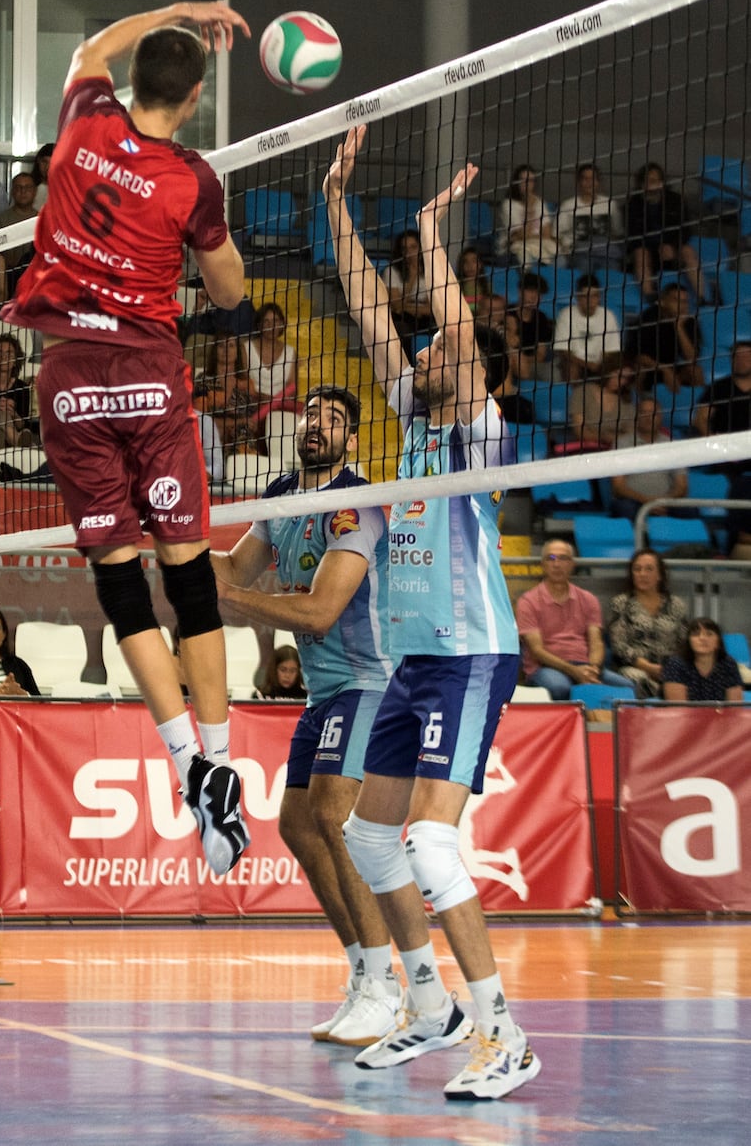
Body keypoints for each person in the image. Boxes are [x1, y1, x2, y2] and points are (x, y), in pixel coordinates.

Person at [0, 0, 253, 876]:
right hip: (148, 372)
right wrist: (208, 241)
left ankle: (186, 762)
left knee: (119, 580)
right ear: (190, 102)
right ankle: (220, 761)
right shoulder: (193, 178)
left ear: (132, 82)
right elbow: (228, 295)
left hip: (67, 373)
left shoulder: (83, 121)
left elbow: (88, 47)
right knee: (189, 574)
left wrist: (178, 12)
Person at [325, 125, 539, 1101]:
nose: (426, 342)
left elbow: (449, 318)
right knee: (370, 838)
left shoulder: (478, 435)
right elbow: (370, 306)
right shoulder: (412, 420)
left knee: (429, 842)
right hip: (409, 661)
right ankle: (429, 1007)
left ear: (476, 370)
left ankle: (504, 1033)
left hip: (469, 656)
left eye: (444, 340)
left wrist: (431, 231)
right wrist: (339, 200)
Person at [212, 384, 401, 1047]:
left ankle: (386, 984)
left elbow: (319, 612)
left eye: (334, 418)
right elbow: (231, 567)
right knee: (296, 823)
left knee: (333, 818)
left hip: (372, 685)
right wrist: (169, 545)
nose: (317, 423)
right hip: (324, 693)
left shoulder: (356, 504)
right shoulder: (282, 496)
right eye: (311, 413)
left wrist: (237, 595)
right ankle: (361, 971)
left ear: (350, 438)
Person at [517, 538, 630, 700]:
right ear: (542, 564)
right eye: (551, 558)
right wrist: (574, 671)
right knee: (559, 688)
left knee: (627, 688)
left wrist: (592, 669)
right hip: (546, 668)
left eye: (563, 558)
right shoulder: (528, 601)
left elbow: (596, 642)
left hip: (585, 665)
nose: (557, 564)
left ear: (572, 564)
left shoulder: (588, 599)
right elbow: (537, 651)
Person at [607, 550, 688, 697]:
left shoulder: (676, 604)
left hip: (670, 667)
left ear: (660, 575)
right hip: (633, 667)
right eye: (637, 569)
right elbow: (619, 647)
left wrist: (669, 668)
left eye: (649, 569)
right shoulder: (621, 603)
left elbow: (684, 643)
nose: (642, 574)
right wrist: (649, 668)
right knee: (641, 680)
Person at [626, 162, 702, 301]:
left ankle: (702, 298)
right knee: (640, 254)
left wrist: (672, 246)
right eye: (647, 181)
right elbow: (633, 235)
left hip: (672, 248)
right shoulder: (634, 203)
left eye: (654, 180)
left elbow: (685, 229)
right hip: (647, 249)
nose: (651, 184)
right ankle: (649, 295)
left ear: (662, 182)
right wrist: (654, 246)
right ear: (641, 183)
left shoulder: (675, 200)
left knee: (688, 252)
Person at [610, 395, 688, 519]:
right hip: (634, 501)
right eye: (644, 413)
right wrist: (646, 501)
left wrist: (662, 501)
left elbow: (682, 486)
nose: (648, 418)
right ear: (637, 417)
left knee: (690, 510)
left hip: (665, 502)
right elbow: (618, 486)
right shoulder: (622, 444)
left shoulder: (672, 446)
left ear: (660, 416)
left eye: (653, 413)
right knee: (624, 508)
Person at [193, 330, 262, 457]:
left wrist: (246, 424)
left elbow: (252, 424)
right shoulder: (202, 380)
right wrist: (239, 422)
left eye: (231, 345)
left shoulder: (247, 384)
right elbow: (201, 421)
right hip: (211, 439)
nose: (226, 350)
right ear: (215, 351)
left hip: (243, 442)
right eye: (221, 345)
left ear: (237, 352)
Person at [625, 282, 703, 393]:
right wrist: (664, 369)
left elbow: (692, 358)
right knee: (640, 369)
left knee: (696, 371)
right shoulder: (649, 317)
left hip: (672, 367)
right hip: (649, 366)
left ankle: (697, 406)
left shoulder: (690, 322)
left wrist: (679, 327)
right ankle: (641, 404)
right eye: (676, 300)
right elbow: (638, 356)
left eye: (685, 302)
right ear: (663, 302)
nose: (682, 306)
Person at [553, 273, 622, 382]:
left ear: (599, 297)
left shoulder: (608, 316)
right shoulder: (566, 314)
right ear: (578, 297)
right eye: (585, 296)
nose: (590, 301)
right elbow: (564, 352)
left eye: (594, 296)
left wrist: (600, 365)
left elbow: (611, 351)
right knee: (572, 367)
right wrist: (588, 364)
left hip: (598, 366)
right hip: (574, 363)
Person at [555, 162, 624, 269]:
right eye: (585, 179)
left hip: (606, 252)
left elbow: (617, 232)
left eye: (593, 179)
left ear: (598, 182)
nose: (589, 183)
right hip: (579, 253)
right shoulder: (567, 205)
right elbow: (556, 234)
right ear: (579, 182)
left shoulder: (610, 204)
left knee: (612, 272)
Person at [662, 617, 744, 702]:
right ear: (689, 641)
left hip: (721, 714)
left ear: (718, 641)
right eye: (696, 634)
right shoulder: (675, 664)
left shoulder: (729, 664)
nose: (702, 638)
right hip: (686, 714)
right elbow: (678, 708)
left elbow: (734, 706)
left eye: (709, 634)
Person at [495, 163, 557, 267]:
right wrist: (529, 208)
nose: (527, 184)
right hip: (512, 249)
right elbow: (521, 235)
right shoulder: (508, 205)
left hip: (538, 245)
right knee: (525, 257)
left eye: (531, 181)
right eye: (523, 180)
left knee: (559, 258)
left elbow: (546, 234)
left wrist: (531, 236)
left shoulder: (539, 203)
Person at [383, 228, 434, 353]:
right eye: (404, 249)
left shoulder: (431, 271)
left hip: (426, 320)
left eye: (413, 247)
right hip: (402, 319)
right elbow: (396, 306)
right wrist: (412, 278)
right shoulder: (392, 271)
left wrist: (406, 307)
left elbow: (432, 308)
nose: (409, 253)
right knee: (401, 330)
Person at [245, 301, 297, 406]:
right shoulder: (246, 348)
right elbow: (242, 385)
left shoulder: (290, 352)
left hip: (280, 408)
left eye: (275, 321)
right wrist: (263, 399)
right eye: (266, 321)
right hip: (250, 406)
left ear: (282, 324)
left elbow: (292, 389)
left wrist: (275, 403)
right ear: (259, 325)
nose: (271, 326)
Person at [0, 172, 39, 276]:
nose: (23, 191)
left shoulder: (42, 220)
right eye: (18, 187)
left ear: (34, 191)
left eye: (27, 187)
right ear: (12, 191)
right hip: (6, 276)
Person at [29, 142, 55, 208]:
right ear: (38, 161)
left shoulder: (65, 189)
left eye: (52, 162)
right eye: (44, 162)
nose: (47, 167)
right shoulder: (27, 186)